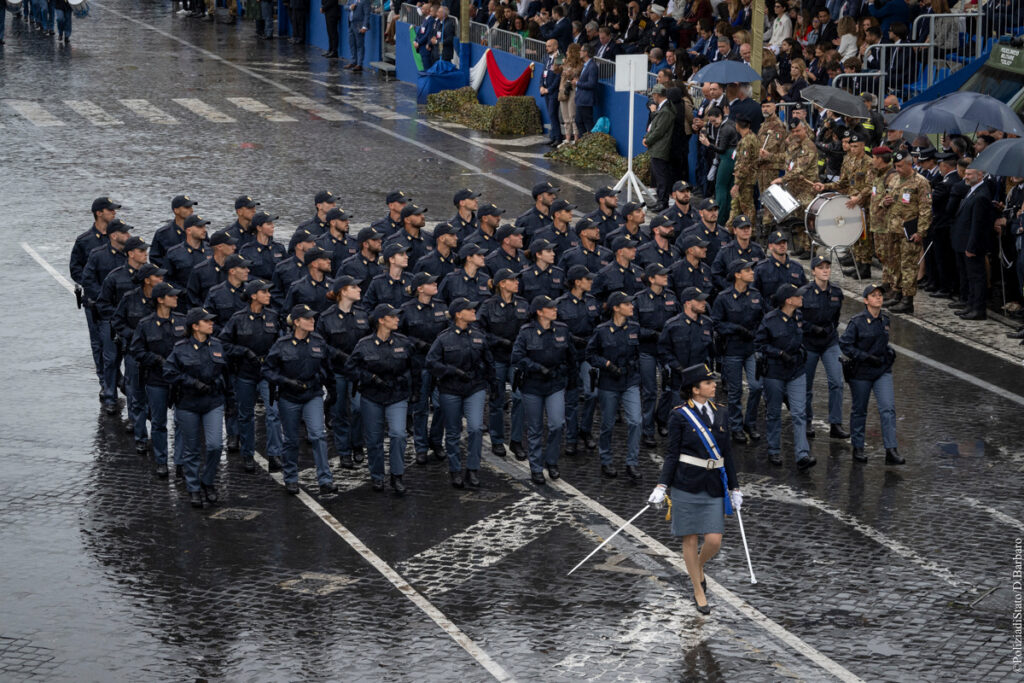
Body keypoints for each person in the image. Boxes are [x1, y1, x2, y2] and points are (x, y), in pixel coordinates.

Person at [648, 363, 740, 615]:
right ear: (695, 389)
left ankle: (697, 566)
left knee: (714, 540)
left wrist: (735, 488)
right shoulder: (679, 415)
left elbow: (727, 454)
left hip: (713, 484)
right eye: (709, 383)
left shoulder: (721, 412)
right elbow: (671, 454)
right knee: (689, 537)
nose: (714, 386)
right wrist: (661, 485)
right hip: (686, 483)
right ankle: (698, 590)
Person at [263, 304, 336, 496]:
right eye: (307, 318)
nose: (312, 321)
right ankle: (291, 478)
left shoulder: (319, 341)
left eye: (313, 318)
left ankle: (325, 479)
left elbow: (327, 367)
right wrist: (285, 381)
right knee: (291, 440)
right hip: (289, 397)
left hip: (313, 394)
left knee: (318, 435)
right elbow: (267, 370)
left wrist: (329, 390)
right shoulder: (282, 344)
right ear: (296, 322)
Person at [345, 304, 417, 494]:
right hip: (372, 396)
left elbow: (414, 366)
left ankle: (397, 475)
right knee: (374, 439)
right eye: (392, 317)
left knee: (399, 434)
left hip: (396, 395)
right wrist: (371, 378)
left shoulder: (404, 342)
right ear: (381, 320)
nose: (396, 319)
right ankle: (377, 475)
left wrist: (406, 381)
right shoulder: (364, 344)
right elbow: (350, 368)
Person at [163, 307, 230, 508]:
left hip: (212, 402)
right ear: (195, 326)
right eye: (206, 321)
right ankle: (193, 487)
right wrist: (192, 382)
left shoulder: (217, 345)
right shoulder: (180, 348)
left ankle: (207, 481)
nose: (211, 324)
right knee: (191, 450)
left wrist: (227, 396)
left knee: (215, 445)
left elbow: (225, 372)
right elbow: (169, 372)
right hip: (188, 404)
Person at [427, 298, 496, 488]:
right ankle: (455, 470)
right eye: (469, 309)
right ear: (458, 314)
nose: (474, 311)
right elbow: (431, 362)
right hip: (451, 388)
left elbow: (489, 361)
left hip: (475, 386)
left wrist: (494, 385)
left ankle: (473, 469)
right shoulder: (443, 338)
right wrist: (451, 371)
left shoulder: (479, 335)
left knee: (475, 428)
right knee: (452, 431)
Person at [219, 279, 284, 474]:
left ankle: (275, 454)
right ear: (254, 296)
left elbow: (281, 341)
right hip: (245, 372)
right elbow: (223, 344)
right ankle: (247, 454)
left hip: (267, 372)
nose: (269, 295)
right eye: (264, 292)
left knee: (273, 413)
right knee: (245, 415)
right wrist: (243, 352)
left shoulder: (273, 316)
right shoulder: (237, 319)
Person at [511, 295, 576, 485]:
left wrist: (570, 379)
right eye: (550, 307)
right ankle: (536, 467)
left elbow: (571, 356)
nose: (555, 310)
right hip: (532, 385)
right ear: (539, 312)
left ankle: (552, 461)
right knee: (535, 428)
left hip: (555, 383)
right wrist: (537, 367)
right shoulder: (526, 332)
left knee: (556, 424)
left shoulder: (562, 329)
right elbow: (517, 357)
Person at [839, 284, 904, 465]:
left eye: (880, 295)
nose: (878, 298)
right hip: (861, 372)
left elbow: (884, 343)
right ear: (866, 300)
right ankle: (858, 447)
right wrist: (864, 356)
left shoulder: (885, 320)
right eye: (874, 296)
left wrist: (888, 354)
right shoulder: (857, 322)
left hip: (881, 370)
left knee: (888, 408)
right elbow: (845, 344)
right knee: (859, 410)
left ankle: (891, 449)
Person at [130, 283, 187, 479]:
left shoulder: (182, 321)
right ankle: (161, 460)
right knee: (158, 421)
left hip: (178, 379)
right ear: (160, 300)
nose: (176, 298)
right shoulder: (145, 325)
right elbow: (136, 351)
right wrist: (155, 360)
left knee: (180, 422)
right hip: (156, 379)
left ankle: (180, 462)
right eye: (172, 296)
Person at [755, 283, 814, 469]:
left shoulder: (798, 317)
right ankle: (774, 450)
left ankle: (802, 454)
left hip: (796, 371)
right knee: (773, 413)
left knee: (799, 413)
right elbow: (760, 345)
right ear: (788, 300)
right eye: (798, 295)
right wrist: (779, 354)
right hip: (774, 373)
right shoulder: (770, 320)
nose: (802, 298)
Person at [587, 291, 642, 481]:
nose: (631, 307)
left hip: (630, 380)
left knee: (636, 421)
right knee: (607, 424)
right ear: (616, 308)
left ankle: (632, 462)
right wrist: (607, 365)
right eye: (627, 304)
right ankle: (606, 459)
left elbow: (638, 352)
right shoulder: (601, 331)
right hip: (609, 382)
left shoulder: (634, 328)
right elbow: (591, 355)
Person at [316, 275, 369, 470]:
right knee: (339, 412)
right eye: (354, 287)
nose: (359, 290)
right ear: (343, 291)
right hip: (336, 371)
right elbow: (321, 344)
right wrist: (339, 356)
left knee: (358, 408)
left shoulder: (362, 314)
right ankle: (344, 451)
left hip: (357, 371)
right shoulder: (326, 318)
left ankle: (357, 444)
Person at [113, 262, 167, 453]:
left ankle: (155, 428)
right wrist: (134, 336)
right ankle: (140, 437)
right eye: (157, 276)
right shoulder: (130, 299)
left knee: (157, 396)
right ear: (146, 280)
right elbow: (117, 321)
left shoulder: (163, 299)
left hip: (156, 357)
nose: (161, 279)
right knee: (136, 396)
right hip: (134, 355)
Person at [478, 268, 531, 459]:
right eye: (512, 280)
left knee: (519, 398)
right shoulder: (488, 306)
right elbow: (479, 331)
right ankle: (497, 440)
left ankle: (516, 441)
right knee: (497, 400)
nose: (517, 282)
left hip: (516, 359)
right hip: (497, 359)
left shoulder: (523, 304)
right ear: (502, 284)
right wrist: (497, 341)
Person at [712, 259, 765, 444]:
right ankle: (735, 426)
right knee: (734, 392)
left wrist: (757, 334)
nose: (752, 272)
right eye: (748, 270)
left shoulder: (756, 295)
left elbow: (763, 318)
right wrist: (735, 329)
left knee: (757, 386)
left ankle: (749, 422)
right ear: (737, 274)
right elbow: (717, 323)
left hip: (751, 348)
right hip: (732, 349)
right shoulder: (724, 297)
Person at [71, 197, 121, 386]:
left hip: (119, 299)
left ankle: (115, 377)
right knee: (99, 343)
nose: (114, 212)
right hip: (95, 302)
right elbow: (76, 269)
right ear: (99, 213)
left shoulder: (118, 236)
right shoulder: (84, 241)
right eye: (110, 210)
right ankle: (105, 381)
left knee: (121, 342)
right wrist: (96, 289)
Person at [799, 258, 850, 441]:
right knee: (806, 385)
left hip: (829, 342)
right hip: (809, 343)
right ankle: (806, 421)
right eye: (821, 268)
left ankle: (836, 423)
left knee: (837, 382)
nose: (825, 271)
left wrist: (830, 329)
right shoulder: (804, 293)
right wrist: (812, 328)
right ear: (813, 271)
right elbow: (797, 319)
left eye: (827, 267)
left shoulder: (836, 292)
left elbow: (836, 317)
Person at [400, 272, 448, 464]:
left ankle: (436, 440)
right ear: (420, 288)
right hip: (418, 365)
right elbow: (400, 335)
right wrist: (416, 344)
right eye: (430, 283)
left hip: (438, 364)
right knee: (419, 408)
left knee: (441, 405)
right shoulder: (406, 309)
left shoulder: (441, 307)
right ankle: (420, 445)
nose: (435, 284)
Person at [883, 149, 933, 315]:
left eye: (900, 166)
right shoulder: (895, 180)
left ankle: (907, 300)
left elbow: (926, 209)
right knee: (894, 264)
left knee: (908, 266)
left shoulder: (921, 182)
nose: (897, 169)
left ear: (909, 164)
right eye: (895, 166)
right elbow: (886, 199)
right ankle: (897, 293)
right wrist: (885, 202)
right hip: (893, 229)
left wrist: (921, 232)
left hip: (909, 231)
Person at [635, 264, 678, 445]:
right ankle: (648, 430)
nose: (665, 277)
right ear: (651, 279)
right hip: (647, 349)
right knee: (650, 391)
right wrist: (652, 334)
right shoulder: (639, 299)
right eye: (661, 275)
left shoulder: (671, 297)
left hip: (666, 349)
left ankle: (662, 417)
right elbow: (634, 328)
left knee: (670, 387)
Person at [949, 167, 994, 321]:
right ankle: (971, 304)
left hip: (972, 244)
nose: (966, 177)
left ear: (980, 175)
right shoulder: (972, 190)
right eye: (966, 174)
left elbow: (978, 224)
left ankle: (978, 309)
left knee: (977, 278)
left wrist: (972, 246)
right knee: (969, 276)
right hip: (962, 241)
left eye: (969, 174)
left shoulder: (981, 194)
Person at [644, 83, 676, 210]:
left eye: (653, 95)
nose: (653, 98)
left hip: (660, 148)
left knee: (661, 177)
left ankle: (662, 202)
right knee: (659, 176)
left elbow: (659, 130)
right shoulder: (665, 109)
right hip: (658, 147)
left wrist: (648, 140)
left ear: (657, 95)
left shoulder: (665, 111)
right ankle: (660, 201)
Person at [711, 214, 764, 292]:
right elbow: (715, 274)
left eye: (748, 227)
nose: (746, 230)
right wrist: (730, 288)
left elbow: (763, 272)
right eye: (742, 228)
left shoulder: (757, 250)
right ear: (735, 230)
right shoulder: (725, 251)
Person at [754, 230, 807, 303]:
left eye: (784, 242)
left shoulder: (797, 267)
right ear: (770, 246)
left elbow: (804, 292)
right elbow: (755, 295)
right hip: (770, 311)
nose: (782, 245)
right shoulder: (761, 269)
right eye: (778, 243)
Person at [164, 214, 210, 293]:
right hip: (184, 299)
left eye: (204, 227)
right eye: (200, 227)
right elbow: (167, 280)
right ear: (188, 230)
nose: (204, 230)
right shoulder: (174, 253)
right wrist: (183, 292)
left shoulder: (211, 250)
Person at [239, 211, 287, 282]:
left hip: (278, 289)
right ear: (259, 228)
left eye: (272, 223)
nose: (273, 226)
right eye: (269, 224)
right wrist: (261, 282)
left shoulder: (279, 248)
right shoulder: (247, 250)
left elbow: (287, 270)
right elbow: (242, 274)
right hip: (256, 289)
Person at [151, 195, 196, 267]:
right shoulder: (162, 233)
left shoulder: (198, 231)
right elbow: (155, 258)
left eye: (191, 207)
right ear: (176, 210)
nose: (191, 210)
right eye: (187, 207)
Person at [364, 243, 411, 310]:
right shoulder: (378, 282)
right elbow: (367, 307)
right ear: (391, 259)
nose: (406, 257)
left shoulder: (411, 279)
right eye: (401, 255)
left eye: (406, 254)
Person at [341, 227, 384, 292]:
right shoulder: (349, 265)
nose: (380, 241)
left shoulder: (385, 261)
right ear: (365, 244)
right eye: (375, 239)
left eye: (379, 238)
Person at [540, 40, 564, 147]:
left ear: (556, 46)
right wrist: (541, 86)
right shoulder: (546, 57)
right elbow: (543, 73)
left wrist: (549, 89)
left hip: (553, 92)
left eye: (549, 46)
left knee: (553, 114)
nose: (547, 48)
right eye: (546, 46)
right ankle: (553, 137)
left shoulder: (559, 57)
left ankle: (558, 138)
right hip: (545, 91)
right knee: (551, 115)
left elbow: (558, 77)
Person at [573, 44, 598, 135]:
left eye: (581, 50)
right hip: (581, 99)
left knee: (588, 123)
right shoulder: (586, 65)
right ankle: (583, 141)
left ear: (586, 53)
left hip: (586, 100)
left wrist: (577, 83)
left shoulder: (592, 66)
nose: (580, 52)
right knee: (578, 121)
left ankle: (589, 142)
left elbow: (592, 84)